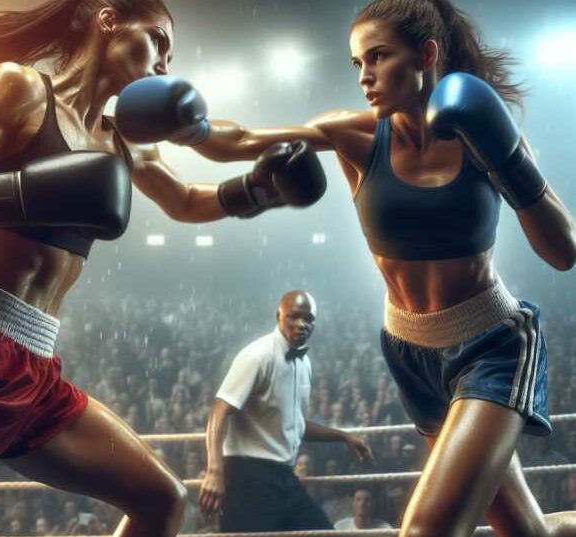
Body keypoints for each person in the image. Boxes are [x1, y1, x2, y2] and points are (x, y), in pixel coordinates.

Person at [0, 2, 328, 537]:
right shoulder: (21, 90)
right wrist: (30, 189)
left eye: (170, 56)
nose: (163, 65)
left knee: (164, 503)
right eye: (156, 40)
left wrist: (257, 190)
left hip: (36, 370)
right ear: (108, 20)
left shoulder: (120, 139)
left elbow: (186, 201)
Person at [124, 0, 576, 535]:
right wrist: (183, 125)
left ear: (426, 55)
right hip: (410, 352)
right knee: (528, 532)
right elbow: (240, 142)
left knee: (426, 529)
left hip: (492, 345)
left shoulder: (482, 134)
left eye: (379, 58)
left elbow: (563, 250)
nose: (364, 76)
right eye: (357, 63)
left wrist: (507, 156)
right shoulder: (355, 135)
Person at [198, 290, 372, 532]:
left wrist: (342, 436)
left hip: (284, 477)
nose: (301, 324)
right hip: (247, 476)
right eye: (293, 317)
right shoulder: (258, 355)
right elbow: (218, 410)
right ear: (278, 316)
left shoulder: (304, 363)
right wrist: (214, 471)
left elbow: (295, 424)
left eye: (308, 319)